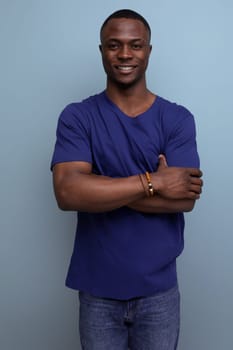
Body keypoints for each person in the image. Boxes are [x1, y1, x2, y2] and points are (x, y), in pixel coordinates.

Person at [51, 9, 203, 350]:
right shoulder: (78, 116)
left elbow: (185, 198)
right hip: (97, 290)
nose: (124, 54)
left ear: (149, 51)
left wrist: (99, 185)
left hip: (159, 292)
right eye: (113, 45)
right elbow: (67, 193)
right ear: (102, 50)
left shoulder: (176, 118)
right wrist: (155, 182)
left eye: (135, 45)